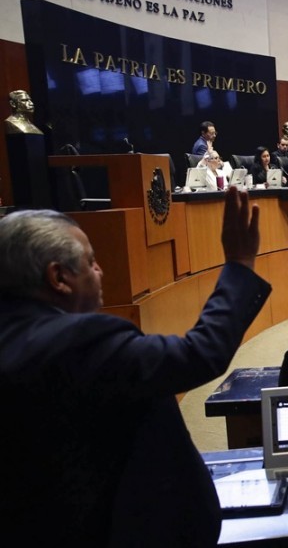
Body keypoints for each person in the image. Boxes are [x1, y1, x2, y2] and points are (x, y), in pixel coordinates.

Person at [0, 187, 270, 547]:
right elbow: (199, 354)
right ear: (59, 278)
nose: (101, 271)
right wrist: (239, 265)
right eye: (91, 261)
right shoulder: (81, 341)